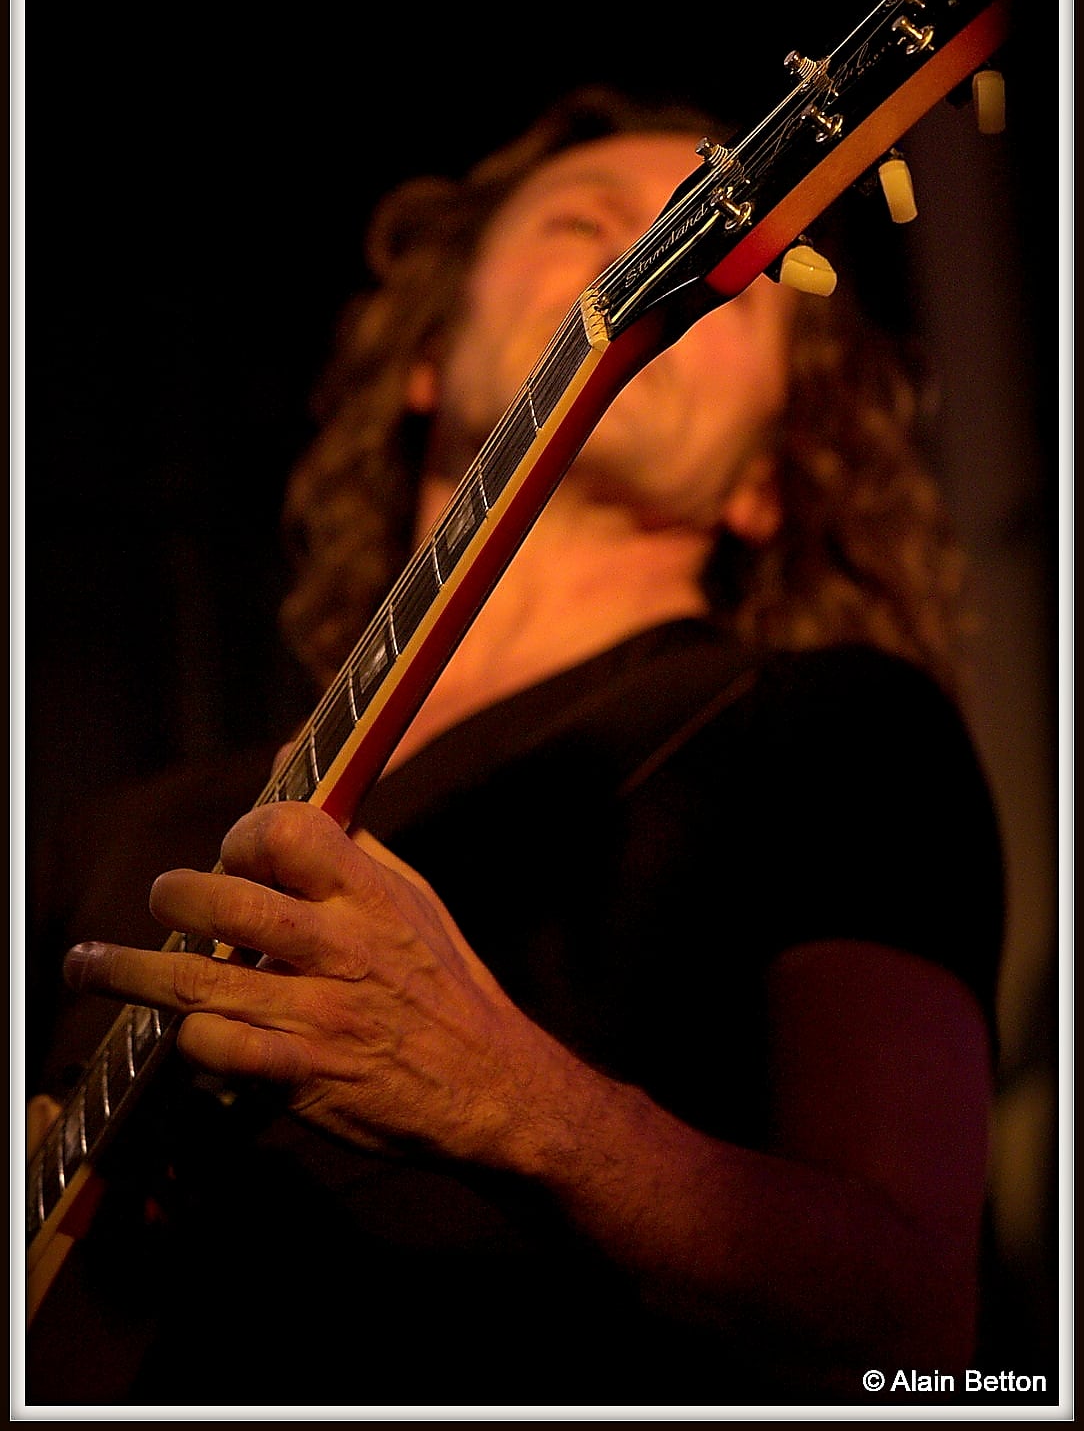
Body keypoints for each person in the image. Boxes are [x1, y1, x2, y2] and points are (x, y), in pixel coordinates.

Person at [29, 87, 1004, 1409]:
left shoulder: (834, 729)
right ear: (427, 360)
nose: (651, 247)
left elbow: (919, 1331)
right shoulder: (125, 832)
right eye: (582, 220)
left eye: (733, 264)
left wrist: (514, 1106)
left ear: (767, 479)